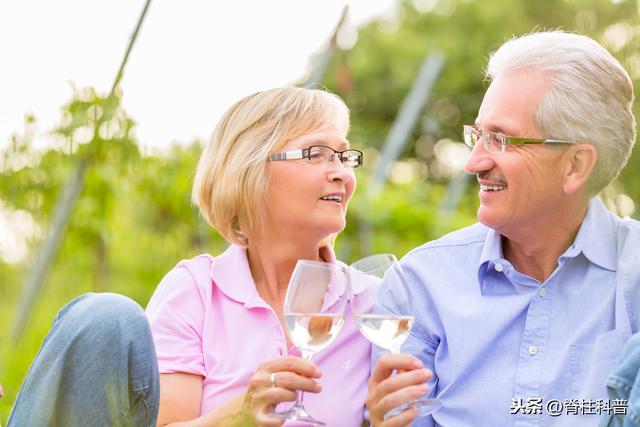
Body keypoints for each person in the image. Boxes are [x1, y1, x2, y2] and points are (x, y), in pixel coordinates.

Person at [8, 87, 373, 426]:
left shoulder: (373, 302)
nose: (341, 172)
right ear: (250, 171)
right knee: (103, 316)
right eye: (317, 154)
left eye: (344, 156)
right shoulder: (196, 292)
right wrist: (239, 415)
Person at [366, 31, 640, 427]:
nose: (473, 162)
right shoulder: (419, 284)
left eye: (500, 139)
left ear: (576, 165)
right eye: (478, 136)